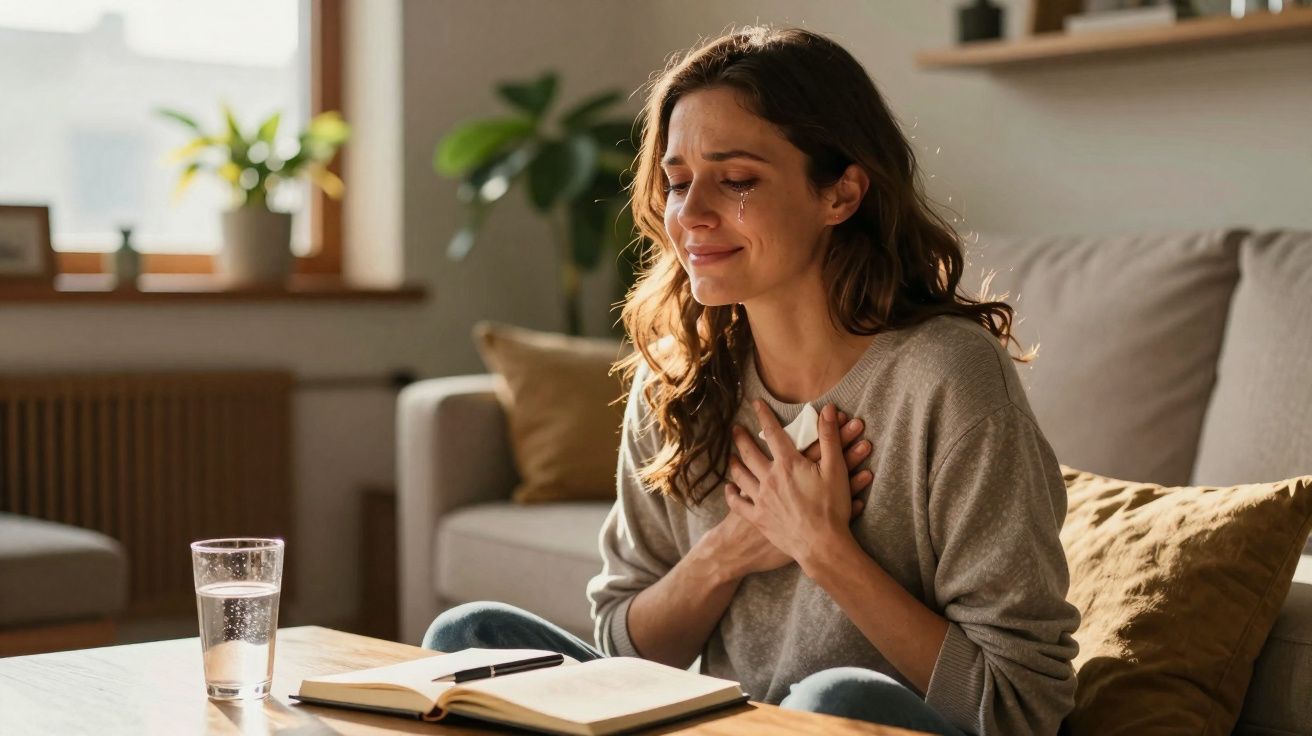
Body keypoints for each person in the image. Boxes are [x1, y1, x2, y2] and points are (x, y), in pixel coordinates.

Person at [424, 26, 1080, 736]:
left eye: (736, 180)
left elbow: (1021, 708)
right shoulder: (676, 379)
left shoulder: (946, 378)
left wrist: (821, 547)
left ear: (841, 193)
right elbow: (623, 645)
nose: (690, 215)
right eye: (677, 183)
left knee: (835, 703)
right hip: (723, 726)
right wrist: (730, 549)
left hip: (870, 725)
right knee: (470, 638)